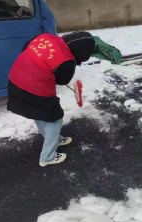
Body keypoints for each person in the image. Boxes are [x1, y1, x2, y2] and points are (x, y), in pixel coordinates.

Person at [7, 31, 95, 167]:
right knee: (55, 118)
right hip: (33, 87)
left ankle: (54, 139)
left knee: (40, 113)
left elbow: (26, 47)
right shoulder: (67, 59)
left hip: (15, 78)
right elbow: (62, 80)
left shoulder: (48, 37)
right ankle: (47, 157)